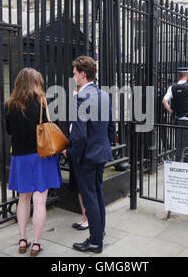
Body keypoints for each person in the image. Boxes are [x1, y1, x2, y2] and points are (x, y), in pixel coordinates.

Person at [5, 67, 62, 257]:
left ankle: (22, 240)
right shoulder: (42, 102)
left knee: (23, 198)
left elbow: (9, 131)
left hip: (20, 158)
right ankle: (36, 244)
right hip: (40, 157)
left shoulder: (9, 105)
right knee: (39, 201)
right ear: (37, 82)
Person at [66, 55, 115, 254]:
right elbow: (111, 127)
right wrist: (104, 145)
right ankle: (98, 233)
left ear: (83, 74)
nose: (74, 77)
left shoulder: (80, 98)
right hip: (101, 153)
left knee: (90, 199)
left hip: (85, 157)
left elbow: (79, 136)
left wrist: (71, 154)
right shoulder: (104, 95)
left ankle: (95, 242)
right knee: (97, 195)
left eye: (75, 73)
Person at [162, 67, 188, 149]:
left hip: (177, 115)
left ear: (178, 75)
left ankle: (180, 152)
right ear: (187, 75)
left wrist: (170, 111)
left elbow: (164, 101)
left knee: (179, 135)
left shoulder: (172, 87)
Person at [69, 86, 89, 231]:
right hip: (81, 153)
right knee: (81, 189)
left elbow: (81, 135)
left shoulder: (81, 106)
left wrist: (70, 152)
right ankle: (85, 217)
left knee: (84, 189)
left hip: (81, 154)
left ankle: (87, 219)